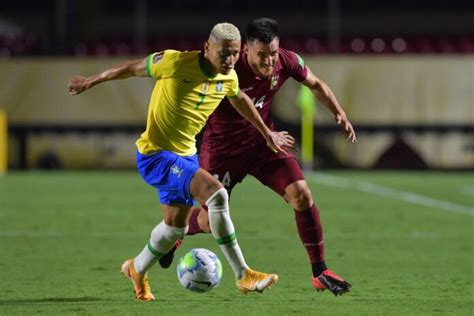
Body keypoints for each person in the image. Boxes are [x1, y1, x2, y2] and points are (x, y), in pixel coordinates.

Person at [67, 22, 294, 301]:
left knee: (176, 227)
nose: (229, 60)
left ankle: (136, 269)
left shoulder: (229, 77)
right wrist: (92, 80)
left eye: (234, 54)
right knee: (217, 195)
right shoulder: (175, 62)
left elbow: (240, 99)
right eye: (223, 53)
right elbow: (133, 68)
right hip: (156, 155)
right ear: (207, 47)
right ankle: (243, 274)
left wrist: (267, 133)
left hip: (185, 154)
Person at [159, 18, 357, 296]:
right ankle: (177, 234)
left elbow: (316, 83)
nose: (268, 61)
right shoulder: (227, 68)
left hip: (264, 145)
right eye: (262, 55)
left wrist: (339, 112)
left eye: (273, 54)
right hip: (222, 151)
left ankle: (319, 271)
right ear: (246, 51)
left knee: (302, 194)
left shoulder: (286, 61)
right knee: (205, 222)